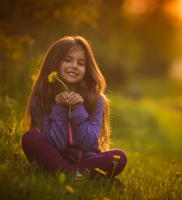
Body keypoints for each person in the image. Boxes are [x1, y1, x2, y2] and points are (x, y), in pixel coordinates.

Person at [21, 35, 127, 179]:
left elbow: (88, 143)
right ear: (54, 63)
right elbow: (55, 143)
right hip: (55, 157)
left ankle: (67, 174)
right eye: (68, 60)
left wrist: (78, 109)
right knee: (30, 138)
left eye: (81, 63)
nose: (74, 66)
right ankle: (77, 175)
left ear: (87, 68)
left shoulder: (96, 99)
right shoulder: (41, 99)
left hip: (86, 159)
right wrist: (59, 108)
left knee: (119, 157)